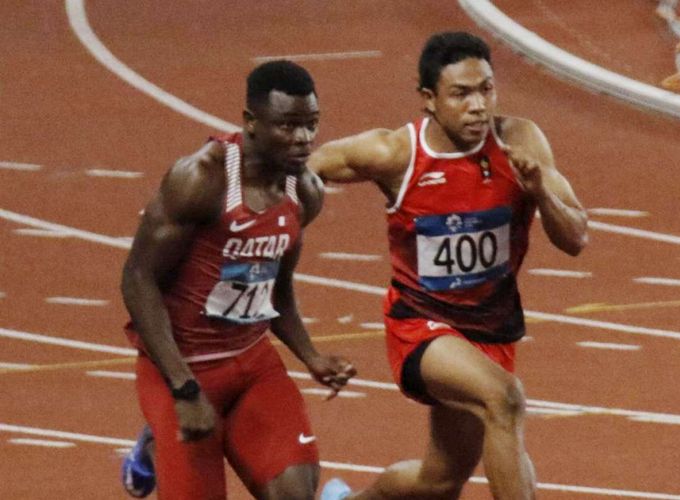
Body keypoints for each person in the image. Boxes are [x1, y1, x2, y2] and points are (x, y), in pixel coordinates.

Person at [316, 31, 588, 499]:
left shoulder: (520, 141)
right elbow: (308, 165)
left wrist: (540, 190)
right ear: (429, 99)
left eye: (486, 89)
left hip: (491, 330)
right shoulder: (396, 153)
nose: (478, 105)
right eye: (461, 94)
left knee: (438, 482)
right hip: (420, 326)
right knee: (504, 400)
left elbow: (576, 238)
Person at [119, 60, 356, 500]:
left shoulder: (304, 191)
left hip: (252, 365)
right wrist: (183, 389)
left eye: (311, 125)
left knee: (295, 495)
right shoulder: (200, 181)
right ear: (250, 123)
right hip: (182, 368)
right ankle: (154, 446)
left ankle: (157, 446)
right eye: (287, 126)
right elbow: (137, 279)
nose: (303, 139)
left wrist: (310, 355)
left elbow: (275, 286)